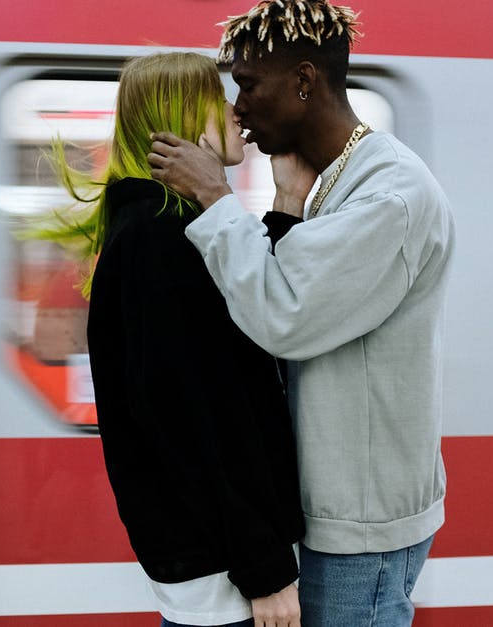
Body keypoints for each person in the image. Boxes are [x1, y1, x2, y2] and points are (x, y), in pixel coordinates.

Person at [146, 2, 456, 626]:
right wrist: (287, 201)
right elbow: (294, 287)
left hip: (361, 529)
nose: (237, 108)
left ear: (305, 82)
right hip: (333, 509)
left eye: (250, 85)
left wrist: (214, 198)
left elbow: (285, 317)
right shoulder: (341, 181)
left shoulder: (387, 197)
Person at [46, 51, 304, 627]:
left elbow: (239, 334)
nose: (239, 112)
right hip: (226, 576)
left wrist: (284, 210)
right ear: (182, 119)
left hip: (210, 562)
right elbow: (206, 416)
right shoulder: (164, 241)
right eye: (220, 99)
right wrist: (265, 569)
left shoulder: (152, 228)